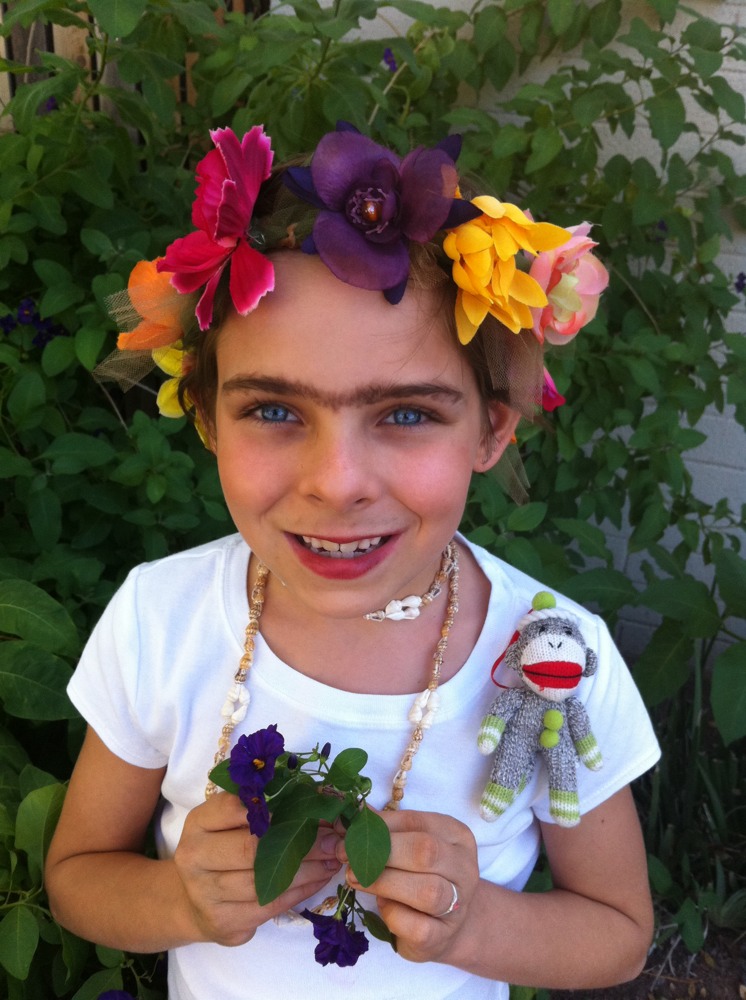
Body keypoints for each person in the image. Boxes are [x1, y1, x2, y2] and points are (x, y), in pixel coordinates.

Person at [45, 123, 660, 1000]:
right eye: (274, 411)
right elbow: (77, 876)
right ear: (209, 417)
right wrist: (179, 900)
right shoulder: (162, 619)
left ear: (491, 427)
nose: (337, 483)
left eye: (406, 414)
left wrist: (479, 922)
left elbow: (619, 934)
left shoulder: (553, 656)